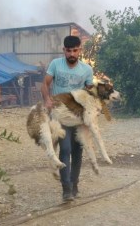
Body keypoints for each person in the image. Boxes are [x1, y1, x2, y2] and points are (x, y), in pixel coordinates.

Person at [41, 35, 94, 201]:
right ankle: (66, 189)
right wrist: (47, 100)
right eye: (68, 50)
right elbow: (45, 84)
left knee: (78, 152)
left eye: (75, 50)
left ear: (80, 50)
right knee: (65, 149)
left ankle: (74, 184)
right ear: (64, 50)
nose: (72, 54)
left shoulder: (86, 70)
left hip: (78, 117)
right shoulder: (56, 64)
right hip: (60, 115)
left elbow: (90, 91)